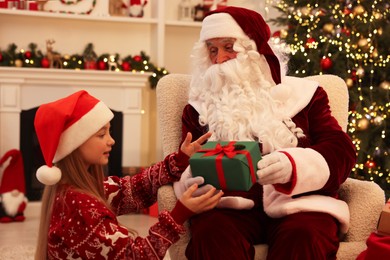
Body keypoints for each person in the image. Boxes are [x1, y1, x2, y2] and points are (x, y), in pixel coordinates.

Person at [173, 6, 357, 260]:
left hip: (299, 204)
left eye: (229, 47)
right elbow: (183, 164)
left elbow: (341, 150)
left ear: (255, 50)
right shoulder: (197, 109)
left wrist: (293, 166)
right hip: (229, 207)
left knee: (305, 235)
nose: (219, 59)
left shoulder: (306, 96)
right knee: (212, 234)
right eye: (213, 50)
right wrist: (195, 176)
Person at [33, 90, 223, 259]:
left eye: (109, 132)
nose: (111, 141)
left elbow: (132, 189)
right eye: (101, 135)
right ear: (74, 145)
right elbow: (135, 256)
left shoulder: (79, 190)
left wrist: (179, 160)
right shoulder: (80, 206)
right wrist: (179, 214)